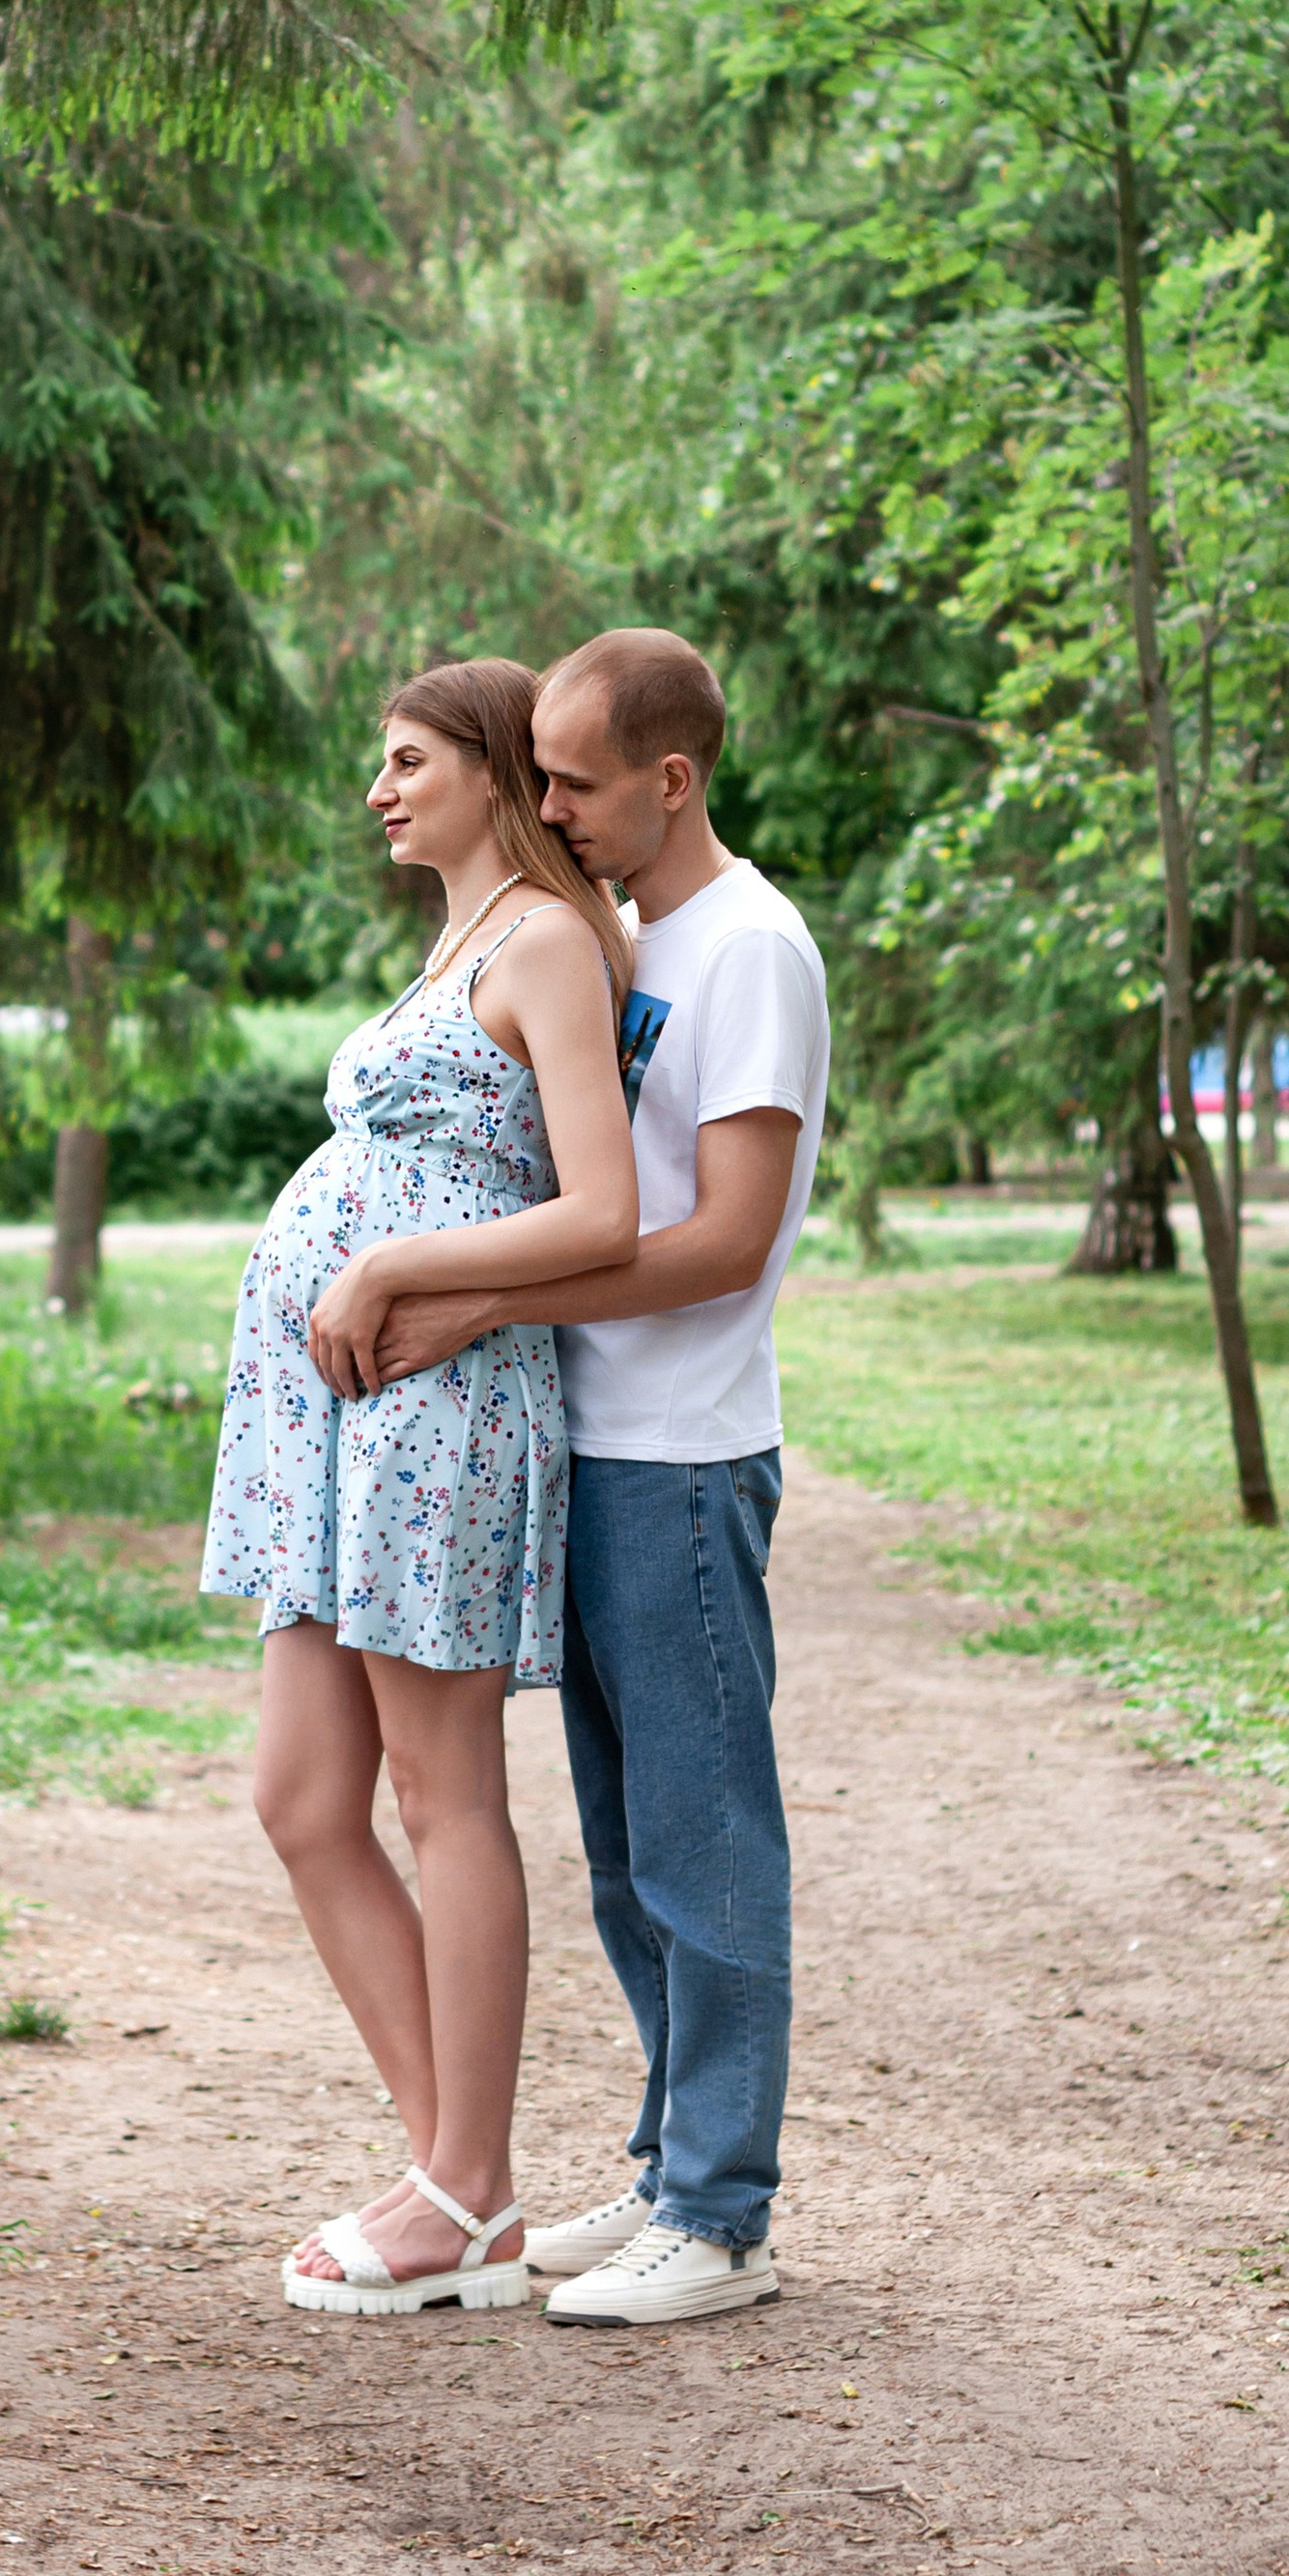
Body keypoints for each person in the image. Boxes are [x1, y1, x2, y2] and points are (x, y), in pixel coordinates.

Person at [369, 627, 830, 2326]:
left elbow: (717, 1240)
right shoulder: (634, 938)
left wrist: (475, 1292)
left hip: (684, 1452)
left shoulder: (750, 952)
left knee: (706, 1845)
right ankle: (664, 2167)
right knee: (629, 1848)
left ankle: (721, 2212)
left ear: (671, 778)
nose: (546, 801)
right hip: (589, 1441)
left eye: (570, 778)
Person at [201, 657, 639, 2317]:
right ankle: (450, 2173)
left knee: (443, 1792)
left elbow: (599, 1210)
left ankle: (467, 2185)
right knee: (305, 1797)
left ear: (492, 770)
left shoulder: (543, 942)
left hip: (438, 1408)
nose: (379, 789)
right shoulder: (455, 944)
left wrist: (393, 1257)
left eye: (406, 761)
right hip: (340, 1424)